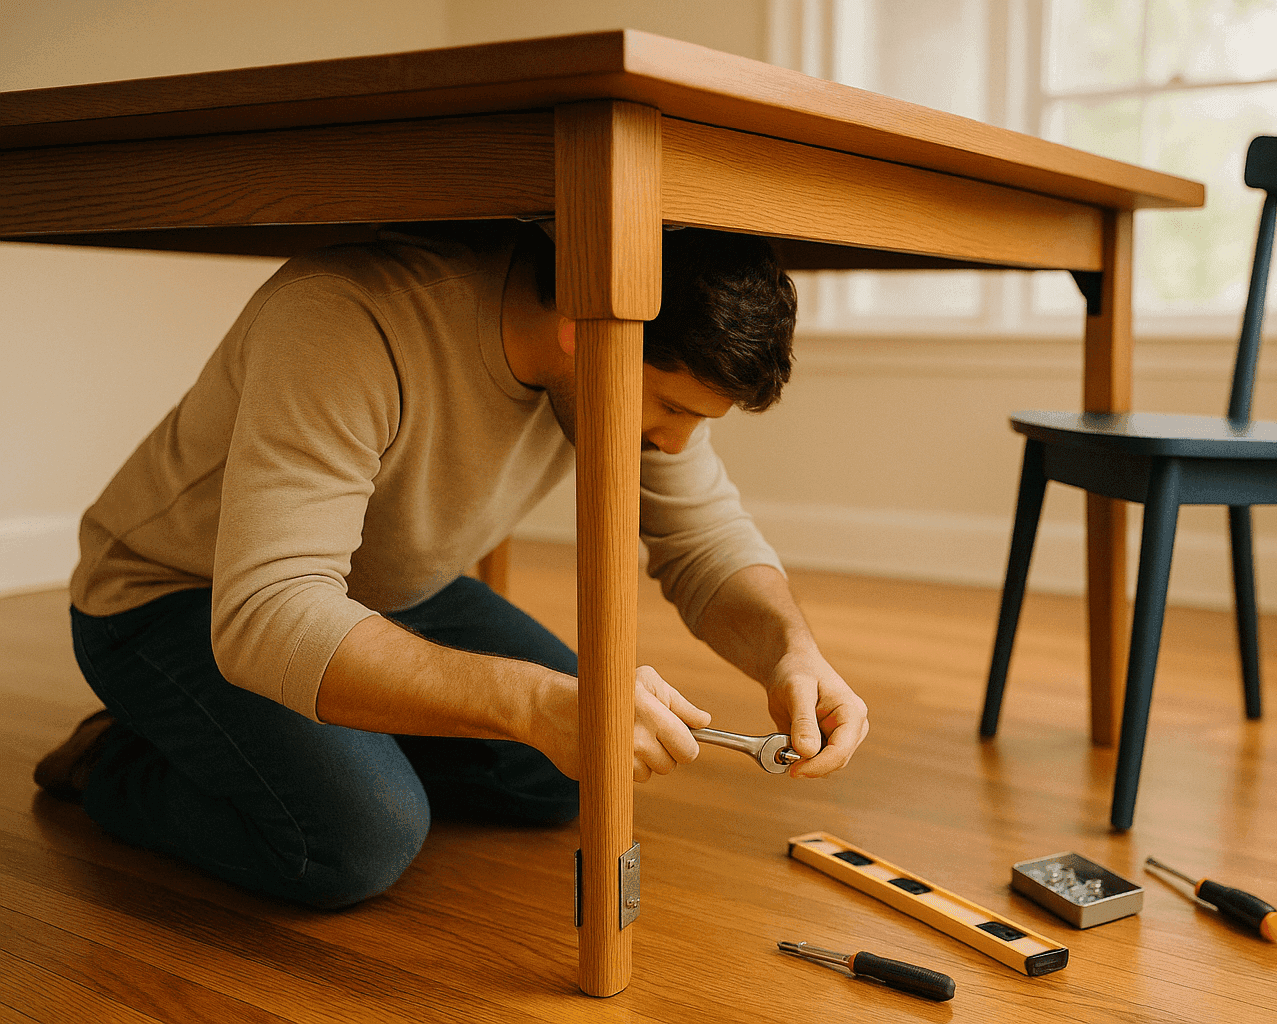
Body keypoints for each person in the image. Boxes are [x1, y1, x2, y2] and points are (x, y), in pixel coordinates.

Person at [33, 221, 869, 909]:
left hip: (382, 592)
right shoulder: (345, 318)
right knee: (360, 839)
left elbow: (706, 542)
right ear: (584, 330)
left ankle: (328, 725)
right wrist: (530, 702)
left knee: (573, 772)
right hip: (181, 598)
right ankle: (119, 759)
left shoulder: (629, 347)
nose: (677, 443)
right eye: (674, 408)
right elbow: (270, 616)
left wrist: (789, 652)